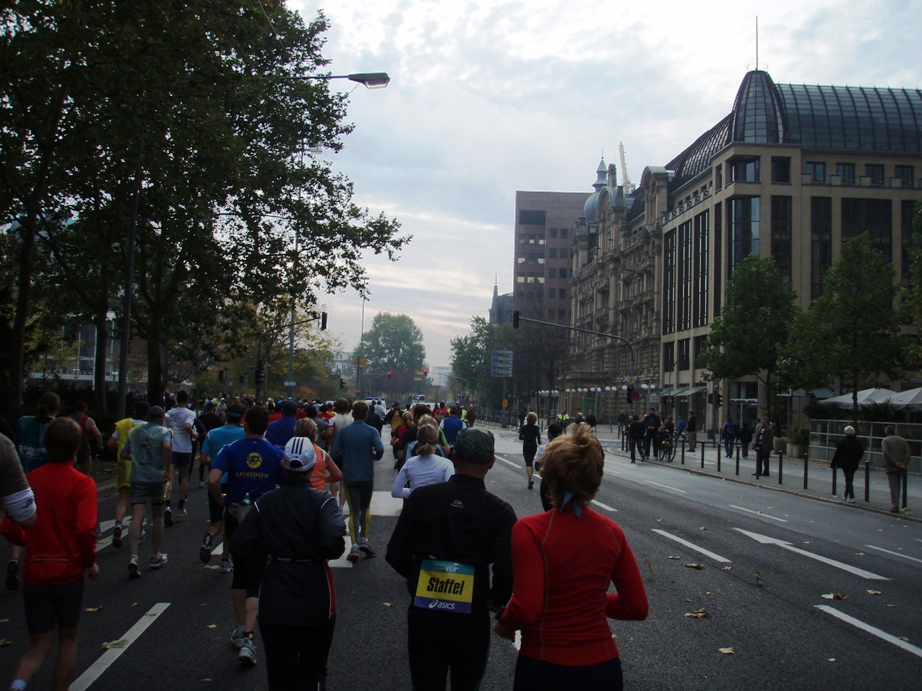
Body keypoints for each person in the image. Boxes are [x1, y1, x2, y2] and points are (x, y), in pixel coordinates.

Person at [493, 425, 649, 690]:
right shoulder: (613, 533)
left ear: (549, 476)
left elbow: (527, 607)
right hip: (603, 667)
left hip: (545, 663)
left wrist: (504, 622)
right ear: (595, 478)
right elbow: (636, 607)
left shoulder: (530, 530)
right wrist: (594, 600)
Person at [386, 428, 516, 690]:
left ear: (453, 456)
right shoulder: (499, 511)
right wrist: (496, 597)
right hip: (472, 614)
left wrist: (418, 578)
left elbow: (396, 553)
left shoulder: (422, 498)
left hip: (426, 613)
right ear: (491, 463)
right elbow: (508, 567)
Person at [230, 438, 346, 690]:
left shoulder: (266, 502)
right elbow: (334, 544)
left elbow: (239, 545)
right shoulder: (323, 501)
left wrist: (268, 549)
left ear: (284, 464)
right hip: (315, 588)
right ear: (312, 465)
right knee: (314, 667)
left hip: (276, 588)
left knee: (279, 670)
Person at [1, 418, 98, 691]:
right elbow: (84, 530)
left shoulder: (30, 480)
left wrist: (29, 540)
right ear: (76, 448)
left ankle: (18, 685)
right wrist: (89, 562)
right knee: (67, 640)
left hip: (35, 572)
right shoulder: (83, 484)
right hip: (68, 573)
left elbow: (9, 525)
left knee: (38, 646)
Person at [209, 405, 285, 667]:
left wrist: (222, 500)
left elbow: (212, 479)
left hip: (235, 514)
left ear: (245, 425)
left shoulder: (230, 450)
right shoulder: (276, 453)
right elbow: (285, 484)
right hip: (261, 516)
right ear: (266, 427)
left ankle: (242, 629)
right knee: (257, 575)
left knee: (239, 574)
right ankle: (250, 638)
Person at [9, 392, 60, 590]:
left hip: (20, 479)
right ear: (57, 408)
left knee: (21, 521)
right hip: (44, 480)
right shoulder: (55, 427)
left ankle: (14, 559)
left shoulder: (24, 423)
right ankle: (37, 562)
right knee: (42, 523)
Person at [121, 406, 173, 578]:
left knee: (137, 516)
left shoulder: (135, 432)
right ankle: (155, 554)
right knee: (157, 515)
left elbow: (124, 453)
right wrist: (167, 469)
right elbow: (166, 447)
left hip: (138, 477)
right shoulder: (165, 431)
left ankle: (133, 556)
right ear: (161, 419)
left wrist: (137, 458)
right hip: (157, 477)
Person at [330, 401, 384, 562]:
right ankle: (364, 539)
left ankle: (353, 545)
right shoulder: (371, 431)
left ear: (352, 414)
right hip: (367, 475)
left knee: (353, 510)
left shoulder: (344, 432)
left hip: (350, 475)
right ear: (366, 414)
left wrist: (344, 457)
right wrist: (375, 456)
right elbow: (380, 449)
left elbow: (334, 453)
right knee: (365, 507)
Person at [198, 403, 247, 571]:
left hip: (216, 481)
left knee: (217, 522)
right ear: (242, 418)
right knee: (231, 524)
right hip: (236, 482)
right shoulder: (244, 434)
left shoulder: (212, 434)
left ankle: (209, 536)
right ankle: (225, 559)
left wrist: (217, 463)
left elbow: (202, 459)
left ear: (226, 416)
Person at [107, 401, 150, 550]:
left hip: (123, 465)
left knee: (123, 500)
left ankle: (118, 524)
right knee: (139, 503)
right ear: (146, 413)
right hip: (140, 468)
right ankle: (139, 529)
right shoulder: (146, 426)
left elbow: (111, 442)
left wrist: (121, 444)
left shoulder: (123, 424)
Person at [391, 423, 454, 499]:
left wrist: (415, 492)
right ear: (437, 439)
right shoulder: (446, 464)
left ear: (417, 438)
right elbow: (450, 493)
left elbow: (396, 492)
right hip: (437, 507)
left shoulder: (410, 462)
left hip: (416, 507)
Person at [164, 389, 197, 524]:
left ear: (177, 399)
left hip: (171, 446)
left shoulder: (169, 413)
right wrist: (193, 434)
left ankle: (167, 504)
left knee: (169, 476)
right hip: (184, 448)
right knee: (184, 476)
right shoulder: (190, 413)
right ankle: (181, 506)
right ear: (187, 399)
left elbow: (165, 429)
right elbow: (187, 425)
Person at [830, 425, 864, 504]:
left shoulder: (843, 442)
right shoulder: (857, 442)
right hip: (854, 463)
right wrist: (858, 458)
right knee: (850, 478)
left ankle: (851, 496)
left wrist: (833, 462)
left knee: (848, 479)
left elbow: (838, 453)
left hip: (845, 463)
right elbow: (861, 452)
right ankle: (845, 495)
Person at [534, 423, 564, 511]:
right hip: (563, 482)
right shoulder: (566, 448)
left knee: (548, 509)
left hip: (548, 482)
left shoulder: (543, 448)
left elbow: (537, 466)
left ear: (549, 435)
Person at [69, 401, 103, 475]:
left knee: (69, 471)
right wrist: (100, 446)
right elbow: (98, 434)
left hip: (70, 447)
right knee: (85, 473)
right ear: (85, 409)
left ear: (75, 409)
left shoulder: (68, 419)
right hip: (83, 447)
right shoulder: (87, 420)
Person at [881, 425, 910, 513]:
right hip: (901, 467)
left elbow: (886, 452)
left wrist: (894, 462)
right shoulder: (902, 440)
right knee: (898, 484)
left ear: (887, 432)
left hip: (891, 466)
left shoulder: (885, 440)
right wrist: (904, 463)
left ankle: (895, 505)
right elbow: (908, 451)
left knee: (893, 486)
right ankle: (897, 503)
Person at [196, 400, 223, 488]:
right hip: (214, 440)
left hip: (203, 440)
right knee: (212, 458)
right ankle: (210, 477)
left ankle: (201, 480)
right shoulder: (217, 418)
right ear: (214, 409)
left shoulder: (201, 418)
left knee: (202, 460)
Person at [518, 412, 541, 490]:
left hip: (526, 445)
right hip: (533, 446)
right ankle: (530, 478)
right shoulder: (536, 428)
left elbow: (520, 437)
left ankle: (530, 478)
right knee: (531, 461)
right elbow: (539, 439)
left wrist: (526, 437)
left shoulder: (524, 427)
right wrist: (538, 441)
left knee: (528, 462)